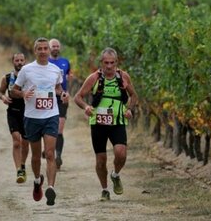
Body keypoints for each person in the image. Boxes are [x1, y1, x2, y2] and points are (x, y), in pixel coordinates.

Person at [74, 47, 138, 201]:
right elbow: (78, 97)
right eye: (106, 63)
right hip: (98, 123)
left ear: (117, 62)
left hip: (117, 122)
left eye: (112, 63)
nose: (109, 66)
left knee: (121, 153)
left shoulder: (123, 77)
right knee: (101, 160)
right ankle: (104, 190)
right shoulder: (94, 78)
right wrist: (86, 107)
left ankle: (115, 175)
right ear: (101, 63)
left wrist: (129, 109)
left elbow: (134, 96)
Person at [11, 37, 69, 206]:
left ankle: (51, 187)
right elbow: (14, 90)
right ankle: (37, 181)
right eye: (40, 49)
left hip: (51, 116)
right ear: (35, 51)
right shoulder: (26, 70)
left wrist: (63, 94)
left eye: (46, 48)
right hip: (32, 118)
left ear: (49, 51)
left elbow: (58, 88)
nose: (43, 51)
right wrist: (23, 94)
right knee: (36, 156)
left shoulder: (55, 70)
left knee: (50, 153)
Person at [0, 53, 29, 183]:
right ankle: (19, 171)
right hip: (13, 112)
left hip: (27, 113)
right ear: (13, 62)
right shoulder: (7, 78)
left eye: (22, 60)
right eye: (17, 60)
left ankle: (22, 164)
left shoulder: (29, 77)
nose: (20, 62)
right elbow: (0, 92)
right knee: (17, 141)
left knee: (26, 143)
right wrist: (3, 97)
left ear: (25, 61)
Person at [48, 38, 72, 170]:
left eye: (57, 46)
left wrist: (67, 92)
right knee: (48, 127)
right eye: (53, 46)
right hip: (49, 98)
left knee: (59, 129)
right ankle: (48, 150)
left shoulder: (65, 62)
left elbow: (69, 78)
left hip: (62, 98)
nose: (55, 48)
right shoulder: (46, 62)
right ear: (49, 47)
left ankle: (58, 156)